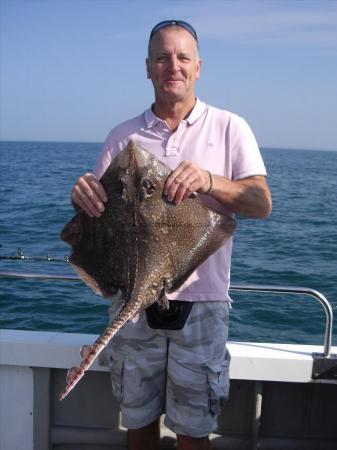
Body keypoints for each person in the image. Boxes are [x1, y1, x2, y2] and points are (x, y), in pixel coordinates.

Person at [71, 20, 272, 450]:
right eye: (162, 57)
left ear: (198, 67)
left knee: (193, 431)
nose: (172, 66)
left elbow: (260, 202)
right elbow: (102, 217)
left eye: (182, 57)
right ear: (148, 68)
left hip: (202, 305)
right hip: (132, 303)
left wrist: (209, 182)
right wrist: (82, 197)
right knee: (138, 423)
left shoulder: (230, 127)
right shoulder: (122, 136)